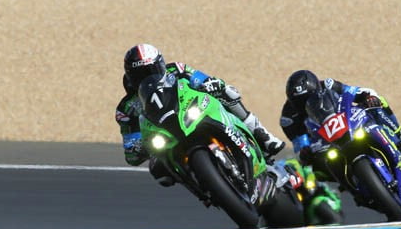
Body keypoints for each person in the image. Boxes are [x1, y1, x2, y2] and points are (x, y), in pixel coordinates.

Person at [115, 43, 285, 181]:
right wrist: (138, 146)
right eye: (140, 75)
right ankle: (201, 186)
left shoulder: (176, 69)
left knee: (227, 92)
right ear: (130, 76)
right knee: (158, 171)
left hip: (188, 113)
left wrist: (211, 84)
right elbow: (131, 151)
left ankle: (261, 133)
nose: (148, 77)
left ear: (160, 65)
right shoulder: (126, 109)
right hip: (165, 137)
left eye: (151, 71)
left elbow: (202, 79)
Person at [279, 69, 401, 168]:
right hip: (324, 143)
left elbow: (355, 91)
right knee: (318, 171)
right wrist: (304, 153)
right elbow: (300, 146)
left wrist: (369, 98)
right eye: (301, 102)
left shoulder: (328, 85)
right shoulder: (288, 118)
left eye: (310, 98)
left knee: (380, 102)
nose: (308, 103)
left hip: (349, 124)